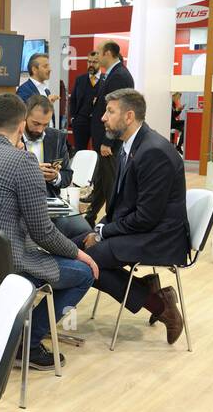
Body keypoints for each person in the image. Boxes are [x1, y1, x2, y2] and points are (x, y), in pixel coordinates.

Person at [0, 94, 98, 371]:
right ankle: (26, 341)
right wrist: (79, 254)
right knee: (85, 273)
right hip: (7, 267)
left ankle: (15, 332)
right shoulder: (22, 161)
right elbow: (43, 232)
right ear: (20, 126)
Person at [77, 89, 189, 345]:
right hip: (143, 229)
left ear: (129, 116)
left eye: (110, 112)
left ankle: (161, 308)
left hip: (160, 237)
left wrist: (103, 233)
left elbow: (146, 217)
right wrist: (99, 229)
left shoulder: (154, 151)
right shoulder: (130, 146)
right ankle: (149, 290)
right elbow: (122, 206)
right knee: (77, 245)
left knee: (87, 260)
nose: (103, 118)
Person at [85, 42, 135, 227]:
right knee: (102, 180)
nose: (96, 57)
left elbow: (118, 114)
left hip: (109, 141)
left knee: (111, 184)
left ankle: (112, 222)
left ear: (108, 53)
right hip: (104, 139)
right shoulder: (113, 74)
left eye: (98, 53)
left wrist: (108, 140)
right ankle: (90, 218)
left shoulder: (119, 76)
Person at [22, 94, 73, 197]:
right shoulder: (12, 137)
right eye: (36, 124)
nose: (40, 130)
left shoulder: (57, 137)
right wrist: (31, 172)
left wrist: (55, 177)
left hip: (49, 201)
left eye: (45, 125)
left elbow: (67, 176)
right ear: (25, 116)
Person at [69, 49, 102, 152]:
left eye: (94, 62)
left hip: (98, 122)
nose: (91, 64)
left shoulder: (107, 80)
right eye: (89, 61)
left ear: (100, 63)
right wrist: (73, 117)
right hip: (80, 121)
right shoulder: (80, 79)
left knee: (98, 151)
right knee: (79, 151)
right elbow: (73, 99)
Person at [16, 52, 60, 122]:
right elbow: (23, 116)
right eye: (45, 66)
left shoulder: (46, 90)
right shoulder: (24, 90)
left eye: (49, 66)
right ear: (34, 70)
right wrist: (47, 103)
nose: (49, 69)